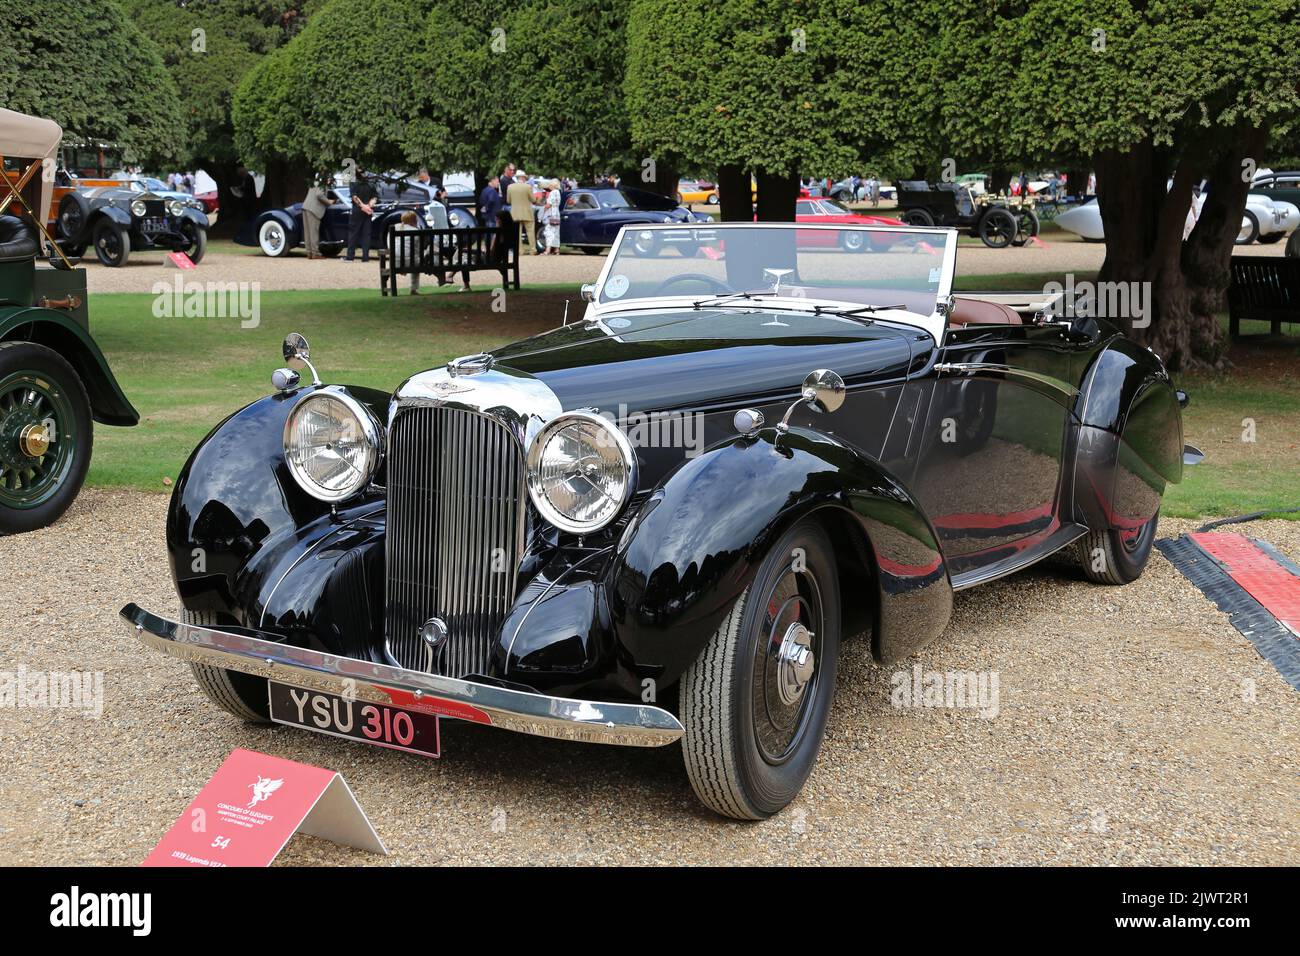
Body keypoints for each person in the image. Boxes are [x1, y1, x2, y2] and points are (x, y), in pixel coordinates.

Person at [302, 175, 338, 259]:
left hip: (306, 207)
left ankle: (309, 252)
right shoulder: (322, 184)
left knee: (308, 232)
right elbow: (319, 194)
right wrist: (329, 202)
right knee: (313, 232)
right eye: (330, 180)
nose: (330, 182)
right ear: (328, 179)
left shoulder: (315, 183)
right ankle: (315, 253)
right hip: (314, 209)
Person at [346, 168, 378, 262]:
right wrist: (369, 206)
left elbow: (354, 197)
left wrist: (363, 206)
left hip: (357, 210)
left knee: (353, 233)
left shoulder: (354, 182)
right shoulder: (371, 183)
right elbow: (375, 197)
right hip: (368, 210)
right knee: (366, 234)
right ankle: (365, 257)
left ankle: (350, 256)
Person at [394, 210, 423, 294]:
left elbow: (389, 245)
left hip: (395, 261)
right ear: (414, 220)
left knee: (413, 258)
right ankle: (413, 289)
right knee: (417, 260)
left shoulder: (394, 227)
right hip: (410, 262)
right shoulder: (416, 231)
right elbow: (417, 250)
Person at [506, 171, 535, 255]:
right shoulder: (528, 187)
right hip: (527, 212)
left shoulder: (510, 187)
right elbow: (533, 200)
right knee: (530, 232)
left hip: (515, 212)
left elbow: (508, 200)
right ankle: (532, 250)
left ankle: (520, 250)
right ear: (523, 178)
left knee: (517, 233)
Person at [541, 179, 561, 254]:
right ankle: (556, 249)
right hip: (557, 214)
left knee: (549, 231)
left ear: (553, 185)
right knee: (556, 231)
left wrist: (543, 210)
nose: (549, 186)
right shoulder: (558, 192)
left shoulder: (552, 193)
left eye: (550, 185)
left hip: (551, 214)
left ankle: (548, 250)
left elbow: (549, 204)